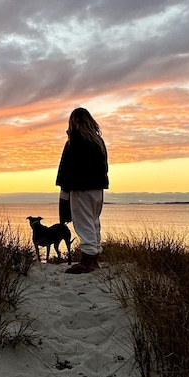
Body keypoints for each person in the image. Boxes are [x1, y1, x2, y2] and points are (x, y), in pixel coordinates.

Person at [56, 107, 109, 273]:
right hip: (98, 188)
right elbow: (104, 167)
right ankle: (94, 257)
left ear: (73, 122)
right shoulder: (98, 141)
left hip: (80, 187)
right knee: (93, 221)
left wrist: (64, 190)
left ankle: (88, 260)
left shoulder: (75, 140)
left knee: (83, 222)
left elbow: (67, 167)